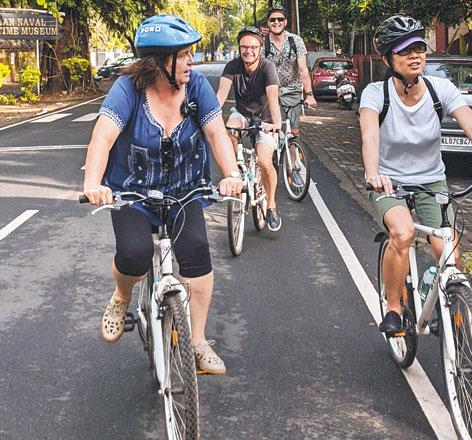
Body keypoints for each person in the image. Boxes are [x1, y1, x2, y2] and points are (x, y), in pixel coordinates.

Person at [82, 14, 244, 374]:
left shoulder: (197, 86)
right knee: (135, 254)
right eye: (184, 55)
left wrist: (232, 174)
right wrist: (93, 184)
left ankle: (198, 342)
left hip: (185, 189)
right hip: (133, 192)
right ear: (159, 62)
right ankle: (122, 297)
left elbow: (217, 134)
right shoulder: (127, 89)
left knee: (198, 254)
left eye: (191, 54)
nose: (191, 61)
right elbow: (103, 138)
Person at [359, 15, 472, 334]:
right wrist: (373, 173)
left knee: (451, 255)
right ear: (389, 58)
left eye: (419, 47)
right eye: (405, 51)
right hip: (390, 181)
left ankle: (441, 300)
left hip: (432, 182)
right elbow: (369, 136)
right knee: (402, 233)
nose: (415, 55)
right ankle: (393, 305)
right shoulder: (376, 94)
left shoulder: (441, 89)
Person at [216, 26, 284, 231]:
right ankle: (234, 173)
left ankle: (271, 206)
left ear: (260, 48)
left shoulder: (267, 67)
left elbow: (273, 99)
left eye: (253, 47)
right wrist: (208, 119)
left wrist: (276, 124)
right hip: (242, 114)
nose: (248, 51)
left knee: (264, 161)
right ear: (239, 48)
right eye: (244, 47)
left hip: (265, 119)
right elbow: (220, 96)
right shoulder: (232, 66)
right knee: (229, 129)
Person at [264, 5, 317, 134]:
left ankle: (292, 153)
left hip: (293, 91)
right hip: (270, 92)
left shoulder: (296, 41)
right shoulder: (262, 43)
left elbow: (303, 69)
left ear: (285, 22)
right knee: (272, 131)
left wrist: (309, 95)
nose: (276, 22)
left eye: (280, 19)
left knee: (293, 131)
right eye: (273, 20)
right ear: (268, 23)